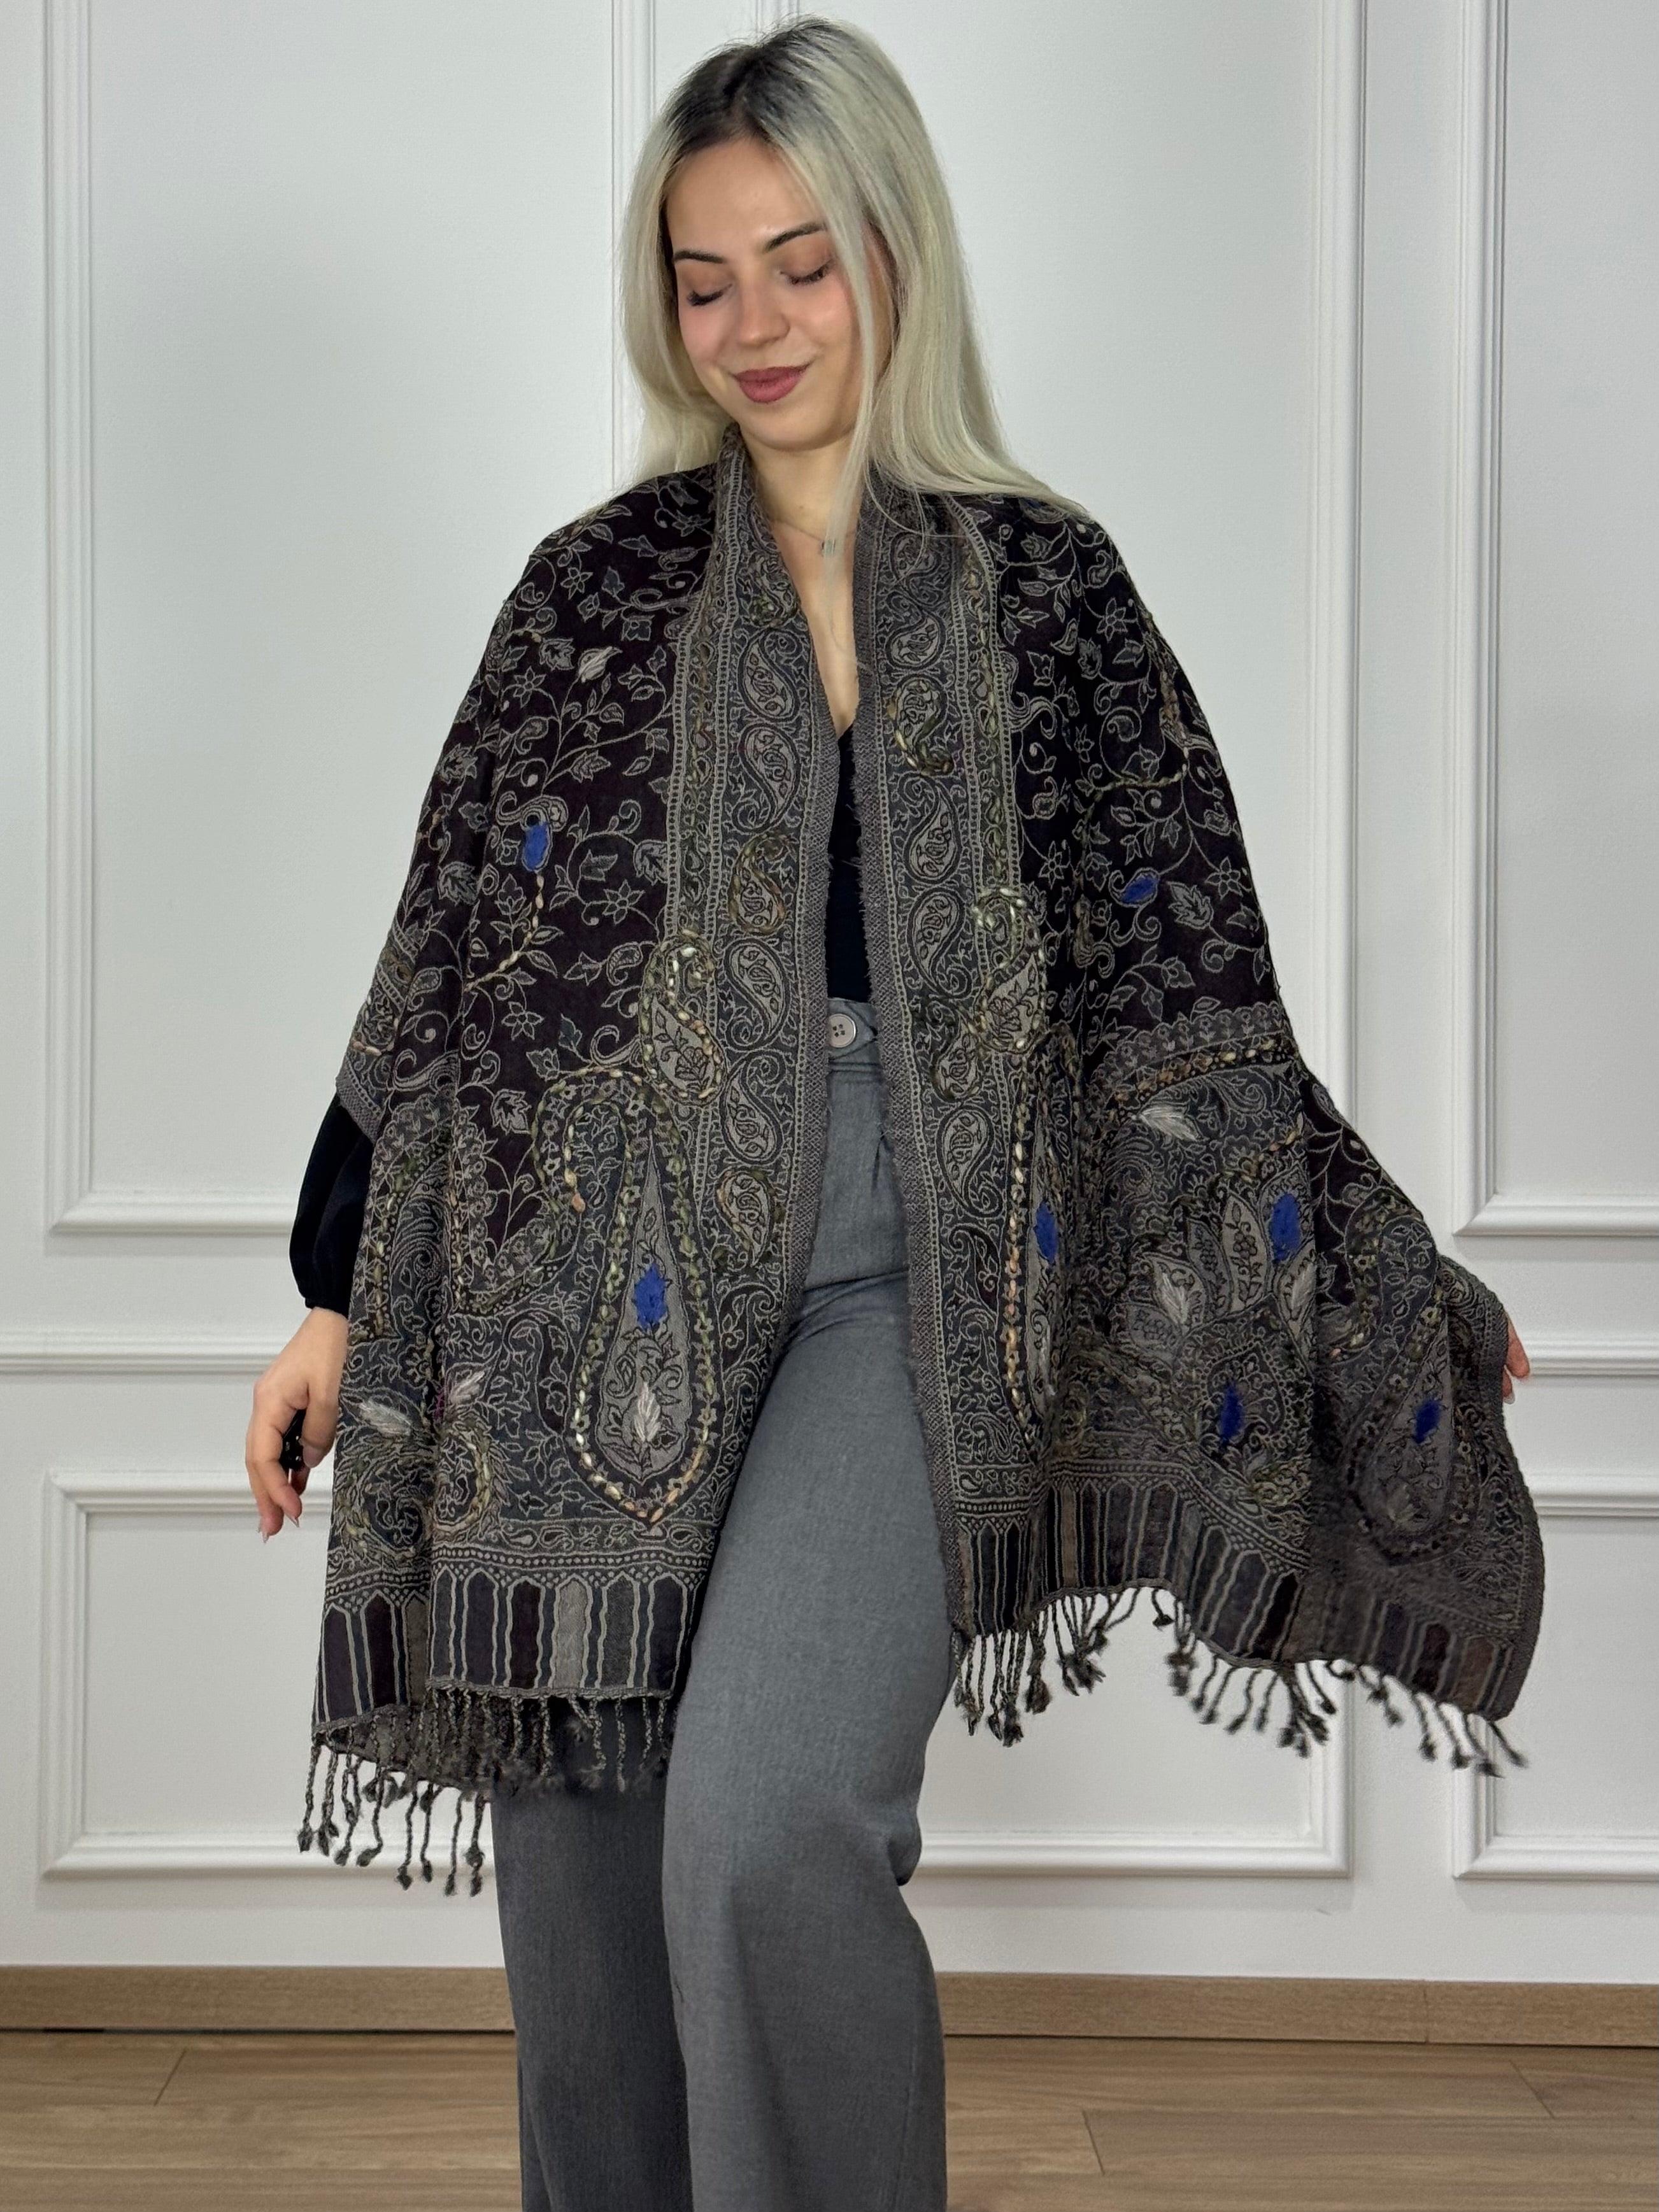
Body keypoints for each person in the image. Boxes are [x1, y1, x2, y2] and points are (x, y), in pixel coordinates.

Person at [245, 20, 1537, 2212]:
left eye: (802, 263)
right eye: (703, 279)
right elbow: (449, 967)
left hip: (918, 1280)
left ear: (895, 257)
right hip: (592, 1292)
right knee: (585, 1869)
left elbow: (1190, 991)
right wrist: (331, 1303)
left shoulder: (1052, 595)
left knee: (766, 1824)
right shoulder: (590, 594)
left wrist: (1390, 1276)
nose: (753, 324)